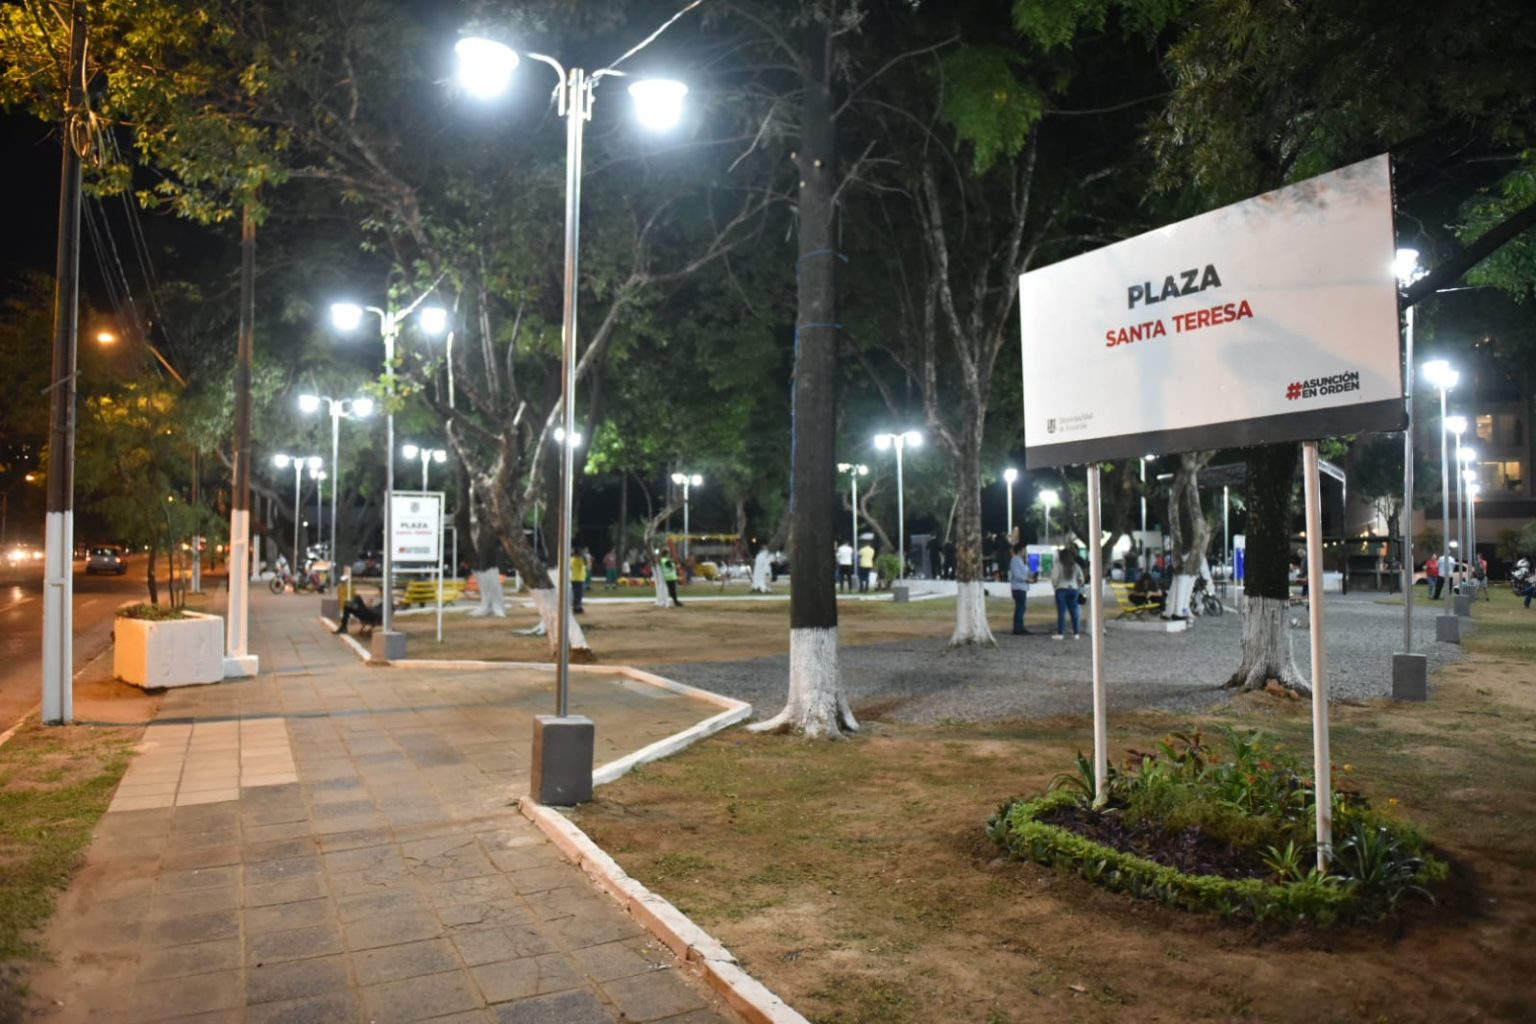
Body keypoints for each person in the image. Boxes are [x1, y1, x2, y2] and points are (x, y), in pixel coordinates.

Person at [1049, 546, 1084, 639]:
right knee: (1074, 612)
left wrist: (1055, 586)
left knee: (1061, 612)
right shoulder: (1075, 566)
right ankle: (1076, 633)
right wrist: (1077, 586)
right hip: (1074, 590)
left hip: (1061, 590)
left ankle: (1060, 633)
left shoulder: (1058, 565)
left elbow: (1054, 578)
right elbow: (1081, 579)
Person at [1008, 542, 1031, 635]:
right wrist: (1026, 579)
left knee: (1022, 608)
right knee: (1020, 608)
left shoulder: (1021, 560)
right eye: (1024, 550)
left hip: (1022, 587)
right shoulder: (1015, 560)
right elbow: (1017, 575)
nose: (1025, 552)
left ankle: (1020, 626)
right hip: (1018, 587)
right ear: (1019, 551)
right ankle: (1017, 627)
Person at [570, 546, 588, 613]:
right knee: (579, 594)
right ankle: (578, 607)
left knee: (576, 593)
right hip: (578, 579)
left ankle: (576, 606)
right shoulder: (578, 560)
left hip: (574, 578)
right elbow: (585, 563)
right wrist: (583, 555)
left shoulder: (572, 559)